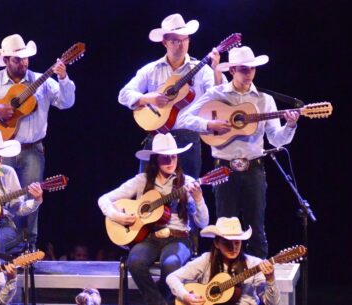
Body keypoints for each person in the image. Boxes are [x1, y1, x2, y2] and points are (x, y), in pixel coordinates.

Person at [179, 46, 299, 258]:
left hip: (254, 167)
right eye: (244, 69)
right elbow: (184, 118)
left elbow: (275, 139)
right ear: (232, 70)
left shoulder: (264, 100)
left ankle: (260, 280)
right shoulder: (216, 94)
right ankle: (225, 280)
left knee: (256, 229)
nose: (249, 74)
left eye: (252, 69)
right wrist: (209, 125)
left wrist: (290, 125)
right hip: (223, 170)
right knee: (225, 228)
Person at [0, 34, 75, 245]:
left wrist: (63, 79)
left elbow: (66, 102)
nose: (23, 62)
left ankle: (29, 245)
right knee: (5, 200)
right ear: (5, 60)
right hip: (2, 151)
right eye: (17, 59)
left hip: (32, 149)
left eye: (25, 58)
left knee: (32, 196)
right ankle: (6, 244)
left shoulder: (42, 81)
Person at [98, 133, 209, 305]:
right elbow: (104, 199)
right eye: (165, 158)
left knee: (170, 264)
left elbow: (203, 223)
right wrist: (117, 216)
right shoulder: (142, 181)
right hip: (149, 237)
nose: (170, 162)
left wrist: (199, 199)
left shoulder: (188, 182)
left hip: (178, 238)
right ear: (155, 160)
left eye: (173, 157)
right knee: (135, 262)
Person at [118, 13, 224, 179]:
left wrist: (217, 71)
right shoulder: (151, 69)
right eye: (175, 40)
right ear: (164, 42)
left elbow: (217, 100)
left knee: (185, 195)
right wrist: (149, 98)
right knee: (150, 196)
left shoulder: (202, 70)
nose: (181, 45)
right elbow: (123, 94)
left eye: (185, 39)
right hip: (157, 139)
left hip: (188, 139)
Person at [166, 217, 280, 305]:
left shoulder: (254, 264)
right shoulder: (206, 260)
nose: (233, 247)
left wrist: (270, 279)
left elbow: (272, 303)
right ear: (217, 243)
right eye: (227, 243)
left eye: (237, 242)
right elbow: (172, 277)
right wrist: (185, 296)